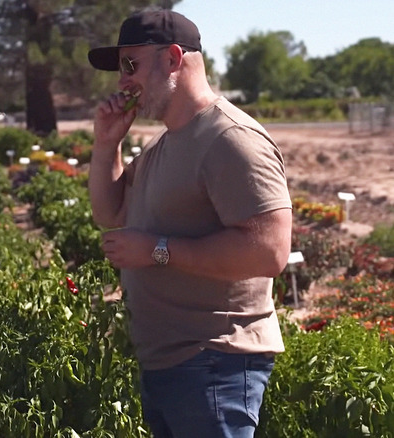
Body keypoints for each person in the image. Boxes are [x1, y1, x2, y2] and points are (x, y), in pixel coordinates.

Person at [87, 10, 292, 438]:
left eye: (131, 65)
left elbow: (269, 251)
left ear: (174, 58)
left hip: (215, 363)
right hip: (173, 364)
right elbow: (111, 213)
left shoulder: (230, 139)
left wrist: (157, 250)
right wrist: (107, 144)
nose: (122, 81)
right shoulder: (167, 143)